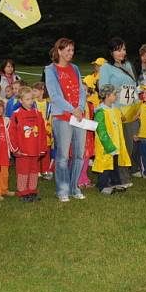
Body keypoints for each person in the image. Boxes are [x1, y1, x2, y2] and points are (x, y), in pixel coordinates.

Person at [44, 38, 88, 202]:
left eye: (72, 50)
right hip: (62, 117)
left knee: (79, 155)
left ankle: (74, 187)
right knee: (62, 156)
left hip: (78, 116)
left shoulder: (75, 68)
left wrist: (81, 108)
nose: (71, 53)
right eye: (68, 50)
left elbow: (82, 91)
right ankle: (62, 190)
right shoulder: (50, 70)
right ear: (59, 51)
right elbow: (54, 95)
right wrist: (72, 109)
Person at [97, 37, 141, 181]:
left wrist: (138, 108)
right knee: (116, 143)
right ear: (111, 52)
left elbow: (133, 87)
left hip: (130, 110)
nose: (122, 52)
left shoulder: (128, 65)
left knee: (129, 143)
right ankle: (115, 175)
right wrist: (116, 95)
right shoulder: (105, 67)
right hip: (114, 111)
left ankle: (124, 171)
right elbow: (103, 89)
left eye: (123, 49)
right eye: (118, 50)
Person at [8, 87, 48, 202]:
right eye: (27, 99)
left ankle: (32, 191)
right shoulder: (16, 115)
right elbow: (11, 134)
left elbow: (42, 131)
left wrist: (42, 148)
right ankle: (23, 192)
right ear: (21, 100)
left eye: (31, 99)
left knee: (34, 171)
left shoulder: (37, 113)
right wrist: (15, 149)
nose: (30, 101)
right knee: (23, 172)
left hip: (35, 150)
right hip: (22, 151)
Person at [92, 85, 130, 195]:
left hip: (116, 144)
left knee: (114, 165)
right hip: (106, 146)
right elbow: (101, 131)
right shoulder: (100, 112)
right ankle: (102, 185)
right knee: (105, 166)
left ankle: (115, 182)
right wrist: (109, 146)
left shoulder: (115, 110)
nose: (116, 96)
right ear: (107, 96)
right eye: (114, 94)